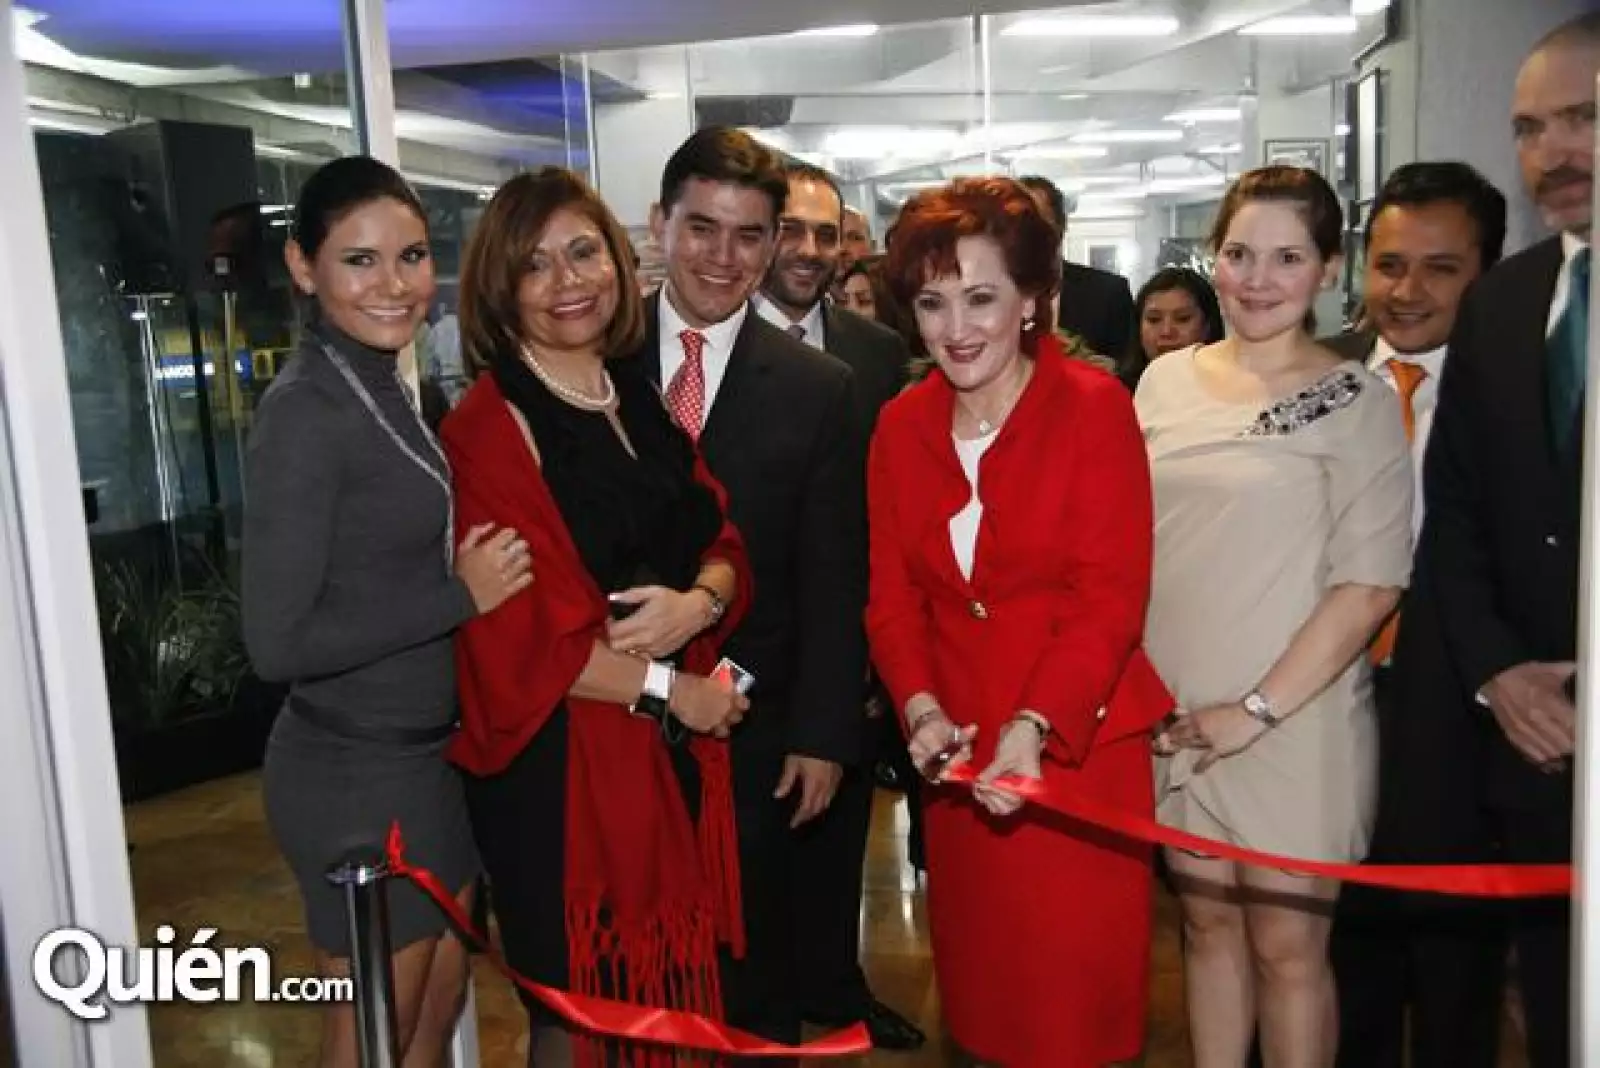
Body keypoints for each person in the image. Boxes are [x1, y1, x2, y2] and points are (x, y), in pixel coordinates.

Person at [439, 167, 753, 1066]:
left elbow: (721, 533)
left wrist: (702, 601)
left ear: (617, 260)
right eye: (535, 266)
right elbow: (526, 633)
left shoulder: (632, 389)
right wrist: (670, 691)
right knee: (577, 1013)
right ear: (502, 291)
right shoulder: (489, 426)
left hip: (663, 753)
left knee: (658, 999)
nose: (568, 281)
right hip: (562, 774)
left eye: (582, 252)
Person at [867, 176, 1174, 1068]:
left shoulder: (1095, 407)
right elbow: (892, 597)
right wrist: (920, 709)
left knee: (1076, 1015)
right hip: (960, 766)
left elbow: (1110, 595)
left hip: (1075, 755)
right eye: (931, 301)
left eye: (981, 298)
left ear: (1034, 300)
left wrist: (1035, 726)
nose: (955, 328)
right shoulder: (898, 426)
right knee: (986, 1013)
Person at [241, 155, 532, 1067]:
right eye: (359, 260)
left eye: (410, 256)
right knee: (371, 1033)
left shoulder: (383, 382)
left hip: (423, 762)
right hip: (352, 774)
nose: (395, 284)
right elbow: (275, 642)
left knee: (434, 1005)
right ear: (302, 267)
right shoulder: (307, 411)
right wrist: (458, 595)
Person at [1140, 165, 1413, 1068]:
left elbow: (1371, 585)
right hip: (1176, 716)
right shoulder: (1161, 384)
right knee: (1208, 929)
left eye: (1287, 257)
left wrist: (1252, 711)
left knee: (1288, 952)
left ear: (1329, 269)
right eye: (1240, 254)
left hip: (1294, 720)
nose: (1257, 279)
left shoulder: (1359, 400)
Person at [622, 125, 869, 1049]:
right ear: (660, 224)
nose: (724, 258)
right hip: (616, 729)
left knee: (750, 980)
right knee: (631, 978)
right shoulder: (593, 360)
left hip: (756, 743)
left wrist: (824, 735)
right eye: (702, 229)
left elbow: (834, 575)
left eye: (749, 236)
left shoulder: (822, 388)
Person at [1420, 15, 1598, 1067]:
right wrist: (1498, 675)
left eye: (1583, 118)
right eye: (1530, 126)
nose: (1552, 153)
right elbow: (1457, 516)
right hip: (1534, 745)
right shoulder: (1500, 304)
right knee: (1555, 1004)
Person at [1321, 160, 1508, 1068]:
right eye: (1390, 264)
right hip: (1331, 709)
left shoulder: (1520, 397)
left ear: (1488, 273)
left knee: (1453, 984)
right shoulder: (1320, 380)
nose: (1406, 291)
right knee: (1344, 964)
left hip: (1464, 725)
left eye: (1440, 268)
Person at [751, 162, 921, 1050]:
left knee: (842, 827)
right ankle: (767, 1003)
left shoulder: (878, 353)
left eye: (828, 233)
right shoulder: (707, 347)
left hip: (852, 640)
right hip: (740, 640)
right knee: (756, 841)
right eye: (791, 228)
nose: (811, 250)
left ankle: (836, 985)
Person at [1018, 174, 1137, 359]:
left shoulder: (1108, 295)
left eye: (1039, 221)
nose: (1030, 232)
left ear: (1062, 225)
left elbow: (1128, 373)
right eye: (1019, 223)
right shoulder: (990, 298)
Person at [1120, 266, 1225, 389]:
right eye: (1154, 320)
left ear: (1207, 326)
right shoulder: (1118, 393)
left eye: (1182, 319)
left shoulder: (1234, 390)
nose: (1166, 331)